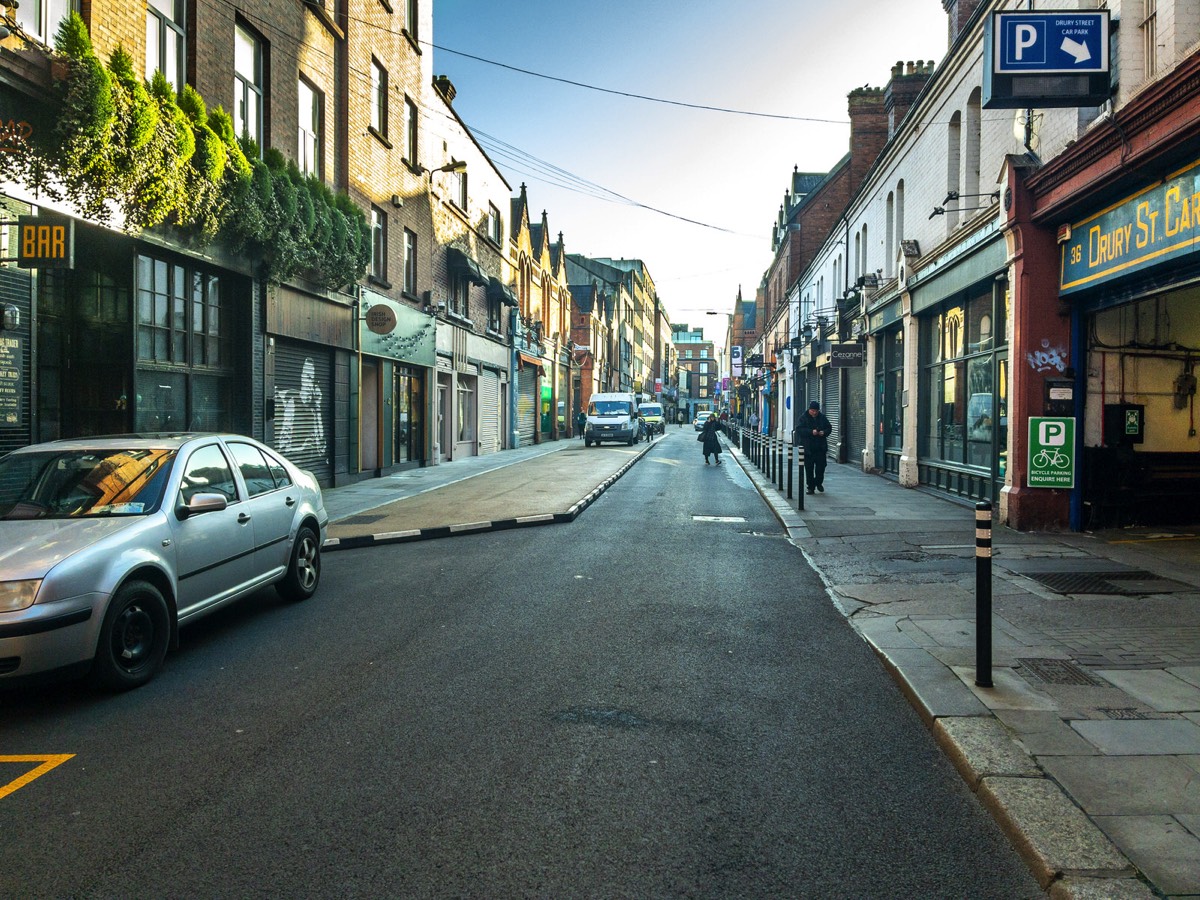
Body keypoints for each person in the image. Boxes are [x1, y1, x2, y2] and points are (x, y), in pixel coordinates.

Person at [797, 400, 832, 494]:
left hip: (820, 448)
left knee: (821, 468)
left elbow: (829, 428)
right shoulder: (803, 418)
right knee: (809, 469)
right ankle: (810, 487)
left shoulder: (822, 418)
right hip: (808, 449)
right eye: (812, 410)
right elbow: (799, 430)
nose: (814, 412)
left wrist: (823, 432)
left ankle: (818, 482)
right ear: (809, 409)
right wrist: (811, 432)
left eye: (816, 410)